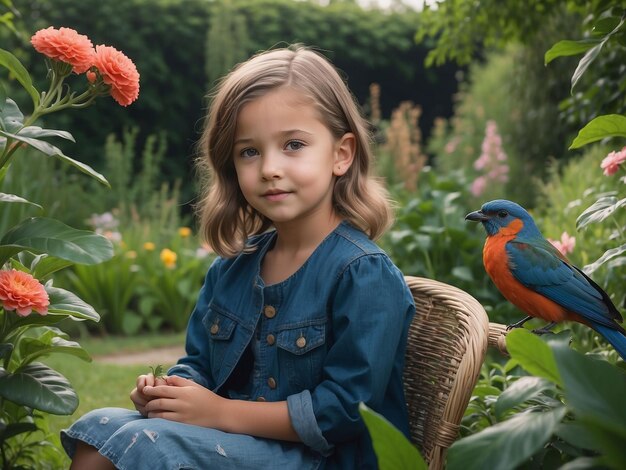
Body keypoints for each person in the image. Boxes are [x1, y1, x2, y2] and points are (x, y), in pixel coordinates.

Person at [62, 44, 415, 470]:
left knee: (150, 444)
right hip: (242, 444)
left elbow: (344, 411)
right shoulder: (232, 269)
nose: (269, 167)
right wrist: (171, 391)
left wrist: (218, 413)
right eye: (249, 151)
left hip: (326, 459)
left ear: (341, 154)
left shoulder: (362, 274)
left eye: (293, 145)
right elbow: (199, 365)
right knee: (98, 427)